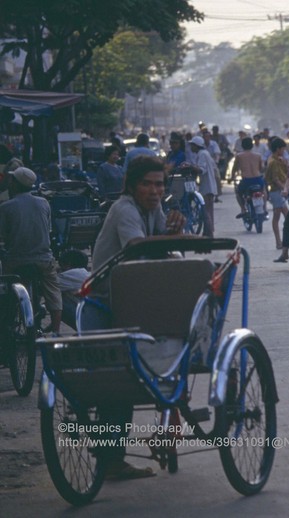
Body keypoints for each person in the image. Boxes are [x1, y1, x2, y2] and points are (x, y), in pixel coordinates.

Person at [89, 155, 185, 480]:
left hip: (137, 292)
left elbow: (160, 246)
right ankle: (111, 458)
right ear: (132, 185)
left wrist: (175, 230)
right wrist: (169, 242)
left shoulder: (153, 207)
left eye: (159, 184)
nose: (155, 190)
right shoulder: (125, 208)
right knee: (120, 380)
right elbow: (137, 247)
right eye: (148, 184)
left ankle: (170, 403)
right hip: (109, 299)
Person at [0, 167, 62, 335]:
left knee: (4, 288)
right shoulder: (44, 203)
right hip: (43, 260)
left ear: (16, 184)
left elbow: (2, 238)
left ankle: (7, 325)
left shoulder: (6, 207)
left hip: (15, 261)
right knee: (53, 290)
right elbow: (47, 229)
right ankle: (56, 331)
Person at [187, 136, 218, 237]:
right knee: (208, 210)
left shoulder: (202, 154)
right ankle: (209, 230)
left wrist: (190, 167)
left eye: (192, 145)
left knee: (207, 211)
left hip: (207, 186)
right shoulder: (204, 153)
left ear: (196, 146)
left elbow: (201, 169)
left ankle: (209, 232)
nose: (191, 148)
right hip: (208, 185)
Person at [230, 137, 265, 218]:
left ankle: (243, 209)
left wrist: (232, 177)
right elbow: (262, 168)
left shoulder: (239, 156)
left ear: (242, 146)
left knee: (238, 193)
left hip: (246, 181)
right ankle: (264, 208)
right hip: (257, 179)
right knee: (264, 191)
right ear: (252, 145)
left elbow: (234, 168)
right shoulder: (258, 156)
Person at [265, 138, 289, 250]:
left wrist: (286, 164)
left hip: (280, 191)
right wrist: (285, 189)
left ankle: (286, 241)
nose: (284, 150)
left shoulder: (278, 160)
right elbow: (275, 179)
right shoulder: (273, 161)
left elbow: (286, 173)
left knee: (287, 216)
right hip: (277, 191)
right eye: (283, 148)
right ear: (278, 149)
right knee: (277, 216)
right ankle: (279, 242)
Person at [57, 249, 90, 331]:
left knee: (55, 302)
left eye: (61, 267)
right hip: (92, 313)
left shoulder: (70, 275)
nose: (60, 270)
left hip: (86, 317)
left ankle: (82, 330)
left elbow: (50, 286)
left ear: (68, 264)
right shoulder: (84, 273)